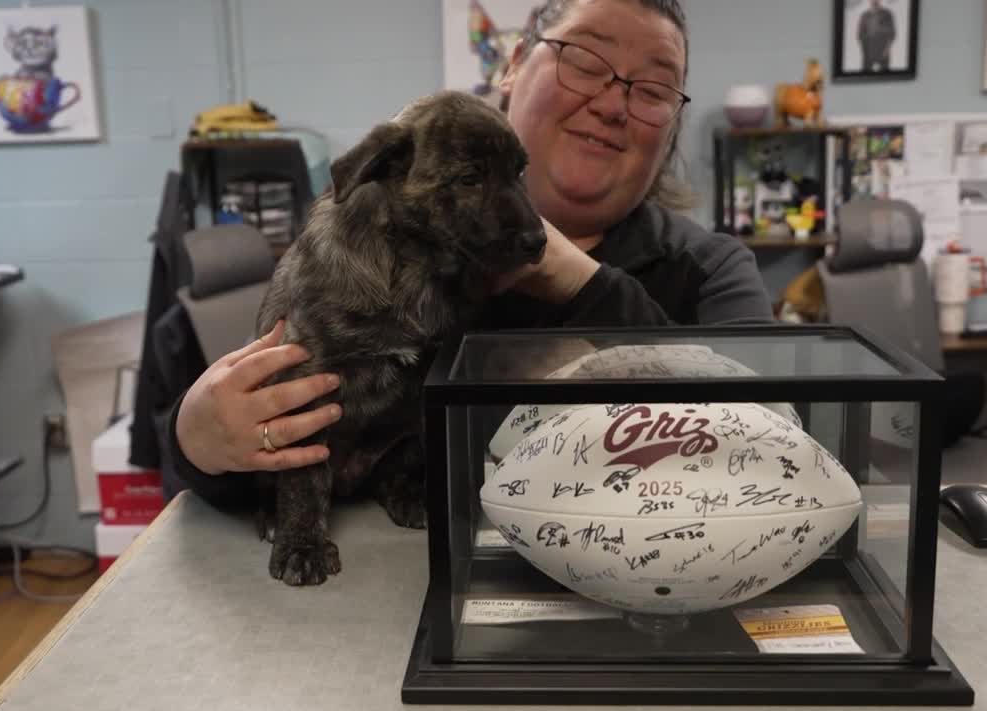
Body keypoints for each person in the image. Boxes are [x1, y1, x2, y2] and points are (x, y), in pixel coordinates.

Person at [170, 0, 773, 507]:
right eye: (586, 60)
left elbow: (772, 445)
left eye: (654, 88)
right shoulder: (379, 253)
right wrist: (201, 446)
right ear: (513, 64)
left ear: (670, 125)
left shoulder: (709, 269)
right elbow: (285, 443)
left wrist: (583, 283)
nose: (614, 104)